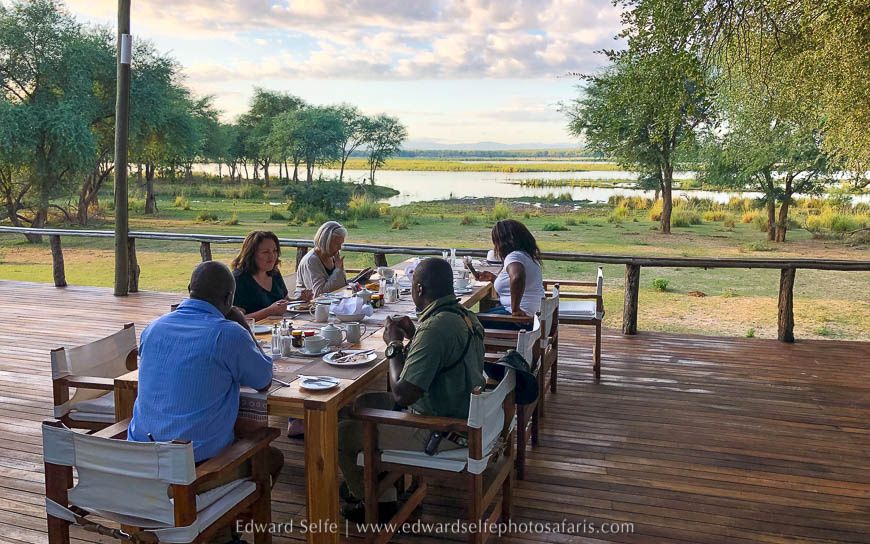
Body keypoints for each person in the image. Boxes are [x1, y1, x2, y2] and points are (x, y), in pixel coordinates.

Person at [128, 261, 283, 543]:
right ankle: (220, 535)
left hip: (140, 467)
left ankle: (216, 533)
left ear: (190, 290)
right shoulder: (228, 333)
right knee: (270, 457)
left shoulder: (153, 328)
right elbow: (263, 380)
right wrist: (242, 325)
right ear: (229, 299)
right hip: (192, 475)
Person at [337, 258, 486, 522]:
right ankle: (383, 488)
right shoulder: (464, 316)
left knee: (342, 433)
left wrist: (393, 345)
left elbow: (402, 394)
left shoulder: (435, 328)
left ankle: (371, 501)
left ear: (418, 289)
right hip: (462, 411)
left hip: (442, 429)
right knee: (361, 403)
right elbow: (440, 359)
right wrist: (415, 334)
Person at [231, 230, 311, 321]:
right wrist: (269, 311)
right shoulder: (239, 279)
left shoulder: (274, 272)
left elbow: (285, 301)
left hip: (278, 329)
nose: (272, 256)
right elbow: (237, 320)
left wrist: (300, 300)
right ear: (251, 254)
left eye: (275, 251)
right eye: (266, 252)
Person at [477, 219, 544, 326]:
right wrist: (492, 278)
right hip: (533, 317)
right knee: (472, 318)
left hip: (522, 321)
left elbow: (518, 277)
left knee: (467, 323)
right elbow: (517, 281)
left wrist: (515, 310)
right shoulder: (527, 256)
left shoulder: (514, 256)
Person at [295, 221, 348, 297]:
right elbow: (319, 293)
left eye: (341, 244)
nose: (340, 248)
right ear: (325, 241)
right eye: (337, 244)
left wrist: (358, 278)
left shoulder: (332, 256)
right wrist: (338, 271)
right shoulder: (311, 260)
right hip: (308, 306)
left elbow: (339, 285)